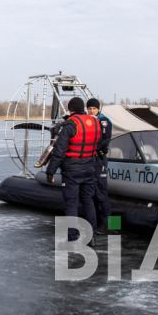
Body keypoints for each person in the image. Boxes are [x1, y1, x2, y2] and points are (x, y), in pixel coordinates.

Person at [45, 97, 100, 243]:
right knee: (88, 201)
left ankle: (72, 236)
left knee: (71, 203)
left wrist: (50, 171)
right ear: (83, 108)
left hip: (72, 171)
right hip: (89, 168)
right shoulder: (95, 122)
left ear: (71, 110)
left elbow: (59, 151)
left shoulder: (70, 125)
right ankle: (92, 234)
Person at [86, 98, 112, 234]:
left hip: (99, 159)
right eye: (89, 108)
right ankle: (96, 224)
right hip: (91, 159)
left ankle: (112, 226)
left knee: (102, 193)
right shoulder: (87, 121)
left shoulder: (104, 121)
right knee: (93, 193)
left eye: (94, 109)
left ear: (98, 109)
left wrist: (93, 149)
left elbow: (105, 139)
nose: (91, 111)